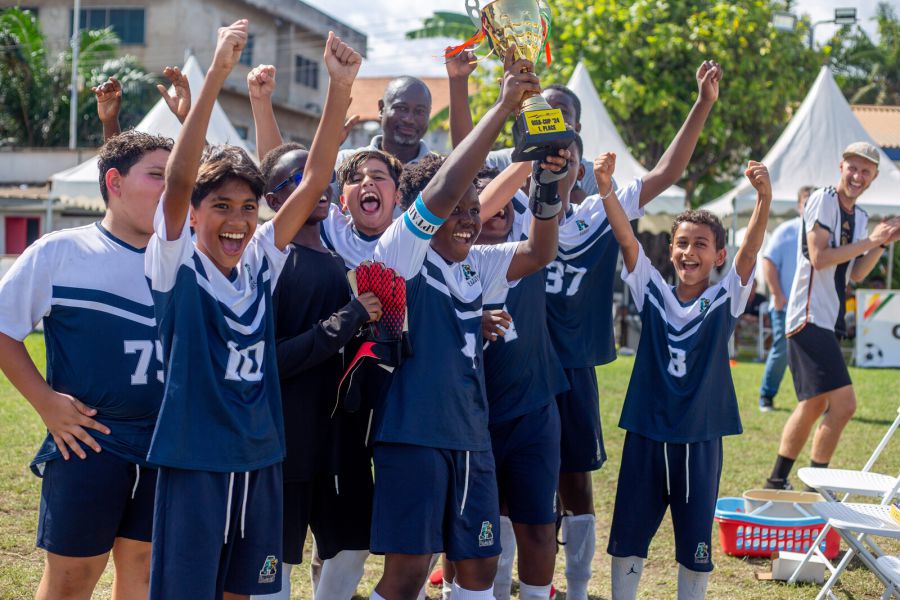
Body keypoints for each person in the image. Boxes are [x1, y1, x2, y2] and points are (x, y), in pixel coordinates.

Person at [475, 60, 723, 600]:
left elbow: (666, 173)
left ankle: (580, 588)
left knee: (576, 480)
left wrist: (702, 103)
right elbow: (465, 174)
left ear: (579, 154)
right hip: (517, 364)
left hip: (574, 364)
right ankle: (500, 584)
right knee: (506, 486)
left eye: (564, 139)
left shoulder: (598, 211)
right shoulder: (514, 203)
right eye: (544, 131)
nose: (554, 151)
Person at [144, 21, 360, 599]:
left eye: (247, 206)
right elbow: (179, 181)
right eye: (221, 206)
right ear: (194, 215)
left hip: (261, 457)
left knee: (248, 591)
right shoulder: (176, 264)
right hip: (196, 461)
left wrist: (339, 86)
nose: (237, 220)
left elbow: (313, 181)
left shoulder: (261, 258)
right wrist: (218, 73)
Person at [368, 48, 560, 600]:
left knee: (479, 568)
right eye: (457, 211)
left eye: (475, 211)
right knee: (408, 573)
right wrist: (502, 107)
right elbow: (444, 190)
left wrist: (547, 183)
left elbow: (540, 251)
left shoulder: (476, 263)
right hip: (412, 435)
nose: (469, 220)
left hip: (472, 437)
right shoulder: (400, 253)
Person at [0, 130, 172, 600]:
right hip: (89, 443)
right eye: (157, 175)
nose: (169, 188)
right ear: (114, 182)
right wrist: (46, 403)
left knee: (144, 570)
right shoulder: (61, 251)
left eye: (174, 177)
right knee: (72, 580)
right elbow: (4, 328)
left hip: (165, 444)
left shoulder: (184, 259)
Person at [602, 153, 771, 600]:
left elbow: (750, 250)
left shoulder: (725, 297)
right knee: (628, 532)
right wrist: (605, 188)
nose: (688, 252)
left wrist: (764, 199)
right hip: (647, 430)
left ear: (718, 255)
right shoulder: (652, 289)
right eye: (681, 243)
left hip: (699, 434)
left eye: (700, 244)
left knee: (695, 540)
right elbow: (626, 238)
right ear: (671, 249)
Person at [249, 142, 382, 600]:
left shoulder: (338, 255)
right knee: (276, 557)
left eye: (321, 176)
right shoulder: (267, 261)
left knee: (353, 545)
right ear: (273, 200)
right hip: (288, 436)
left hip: (341, 435)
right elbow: (271, 359)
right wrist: (349, 317)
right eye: (300, 180)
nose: (317, 186)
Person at [765, 142, 900, 490]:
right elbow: (819, 257)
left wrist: (883, 242)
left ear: (874, 177)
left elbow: (856, 273)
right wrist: (871, 241)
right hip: (809, 316)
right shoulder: (823, 199)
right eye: (853, 168)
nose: (858, 176)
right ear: (841, 167)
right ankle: (816, 487)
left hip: (827, 320)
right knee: (844, 405)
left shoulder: (861, 216)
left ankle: (777, 481)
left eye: (866, 171)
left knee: (814, 405)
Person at [444, 50, 597, 202]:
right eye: (539, 106)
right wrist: (458, 81)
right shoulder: (501, 162)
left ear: (576, 128)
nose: (548, 115)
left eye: (561, 111)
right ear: (521, 112)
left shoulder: (594, 176)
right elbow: (464, 168)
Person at [757, 185, 813, 412]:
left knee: (815, 354)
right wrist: (777, 294)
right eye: (806, 201)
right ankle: (766, 395)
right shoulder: (786, 230)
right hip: (785, 305)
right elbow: (768, 261)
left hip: (812, 308)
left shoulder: (824, 233)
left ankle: (815, 399)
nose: (810, 206)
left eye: (815, 202)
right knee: (782, 350)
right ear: (799, 205)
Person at [336, 75, 435, 167]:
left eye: (420, 111)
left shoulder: (439, 170)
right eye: (402, 108)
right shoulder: (347, 162)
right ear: (381, 108)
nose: (409, 120)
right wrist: (330, 146)